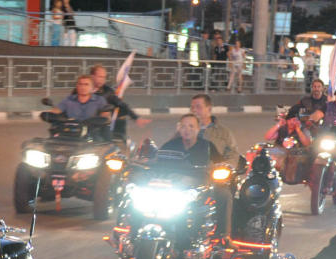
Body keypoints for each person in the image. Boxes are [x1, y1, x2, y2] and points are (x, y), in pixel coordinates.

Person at [160, 114, 233, 242]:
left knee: (224, 195)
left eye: (191, 126)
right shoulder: (170, 145)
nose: (187, 129)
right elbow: (156, 162)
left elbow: (220, 163)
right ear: (179, 129)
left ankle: (223, 236)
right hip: (173, 187)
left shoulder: (207, 146)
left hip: (201, 186)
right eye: (183, 126)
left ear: (199, 129)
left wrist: (222, 169)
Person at [88, 64, 151, 139]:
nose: (102, 80)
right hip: (85, 125)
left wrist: (136, 118)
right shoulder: (82, 89)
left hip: (100, 127)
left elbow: (122, 105)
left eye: (104, 77)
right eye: (100, 76)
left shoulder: (108, 91)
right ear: (92, 76)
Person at [190, 93, 240, 166]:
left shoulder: (223, 132)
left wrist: (226, 167)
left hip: (213, 173)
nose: (194, 110)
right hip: (187, 173)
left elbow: (233, 154)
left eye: (198, 107)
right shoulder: (184, 130)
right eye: (192, 107)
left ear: (209, 109)